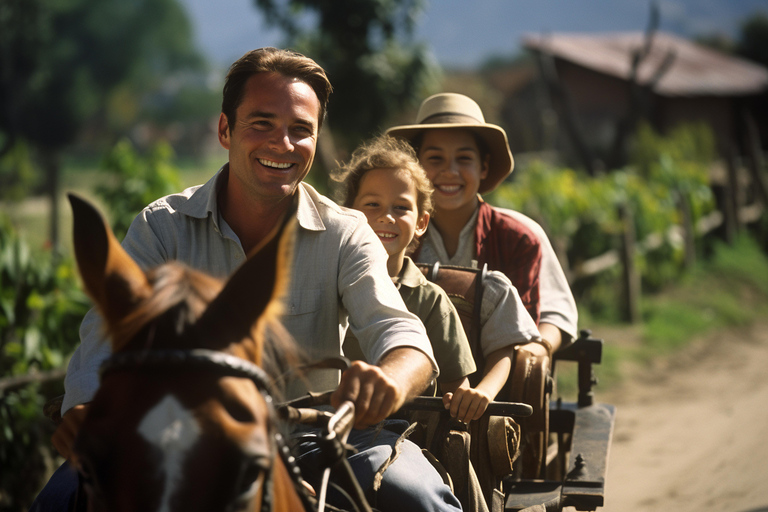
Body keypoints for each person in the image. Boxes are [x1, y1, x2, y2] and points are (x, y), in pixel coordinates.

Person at [33, 48, 461, 512]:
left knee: (421, 498)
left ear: (316, 142)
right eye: (262, 123)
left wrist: (390, 382)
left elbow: (401, 334)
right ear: (225, 130)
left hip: (317, 439)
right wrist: (86, 406)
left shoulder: (346, 232)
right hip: (172, 436)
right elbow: (106, 332)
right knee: (57, 503)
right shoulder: (163, 227)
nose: (283, 143)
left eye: (301, 130)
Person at [335, 134, 540, 423]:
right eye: (372, 205)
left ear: (421, 223)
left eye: (401, 208)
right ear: (348, 215)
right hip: (324, 425)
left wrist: (469, 400)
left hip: (406, 436)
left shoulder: (430, 300)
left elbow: (456, 391)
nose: (387, 218)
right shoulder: (329, 284)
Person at [386, 93, 578, 359]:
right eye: (435, 159)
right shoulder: (393, 230)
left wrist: (536, 351)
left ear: (484, 167)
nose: (450, 171)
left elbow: (532, 324)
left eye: (464, 159)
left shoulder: (518, 236)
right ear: (415, 167)